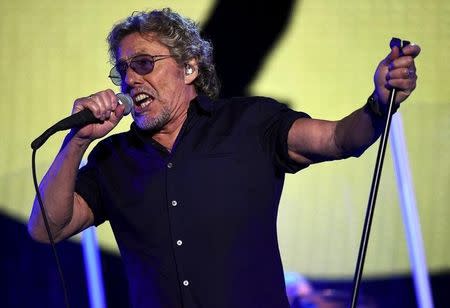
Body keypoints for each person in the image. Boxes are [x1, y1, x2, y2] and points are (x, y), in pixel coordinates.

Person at [28, 8, 420, 308]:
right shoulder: (113, 158)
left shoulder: (249, 124)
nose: (131, 80)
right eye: (123, 70)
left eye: (144, 64)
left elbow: (338, 139)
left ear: (188, 67)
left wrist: (378, 104)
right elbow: (47, 228)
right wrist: (76, 142)